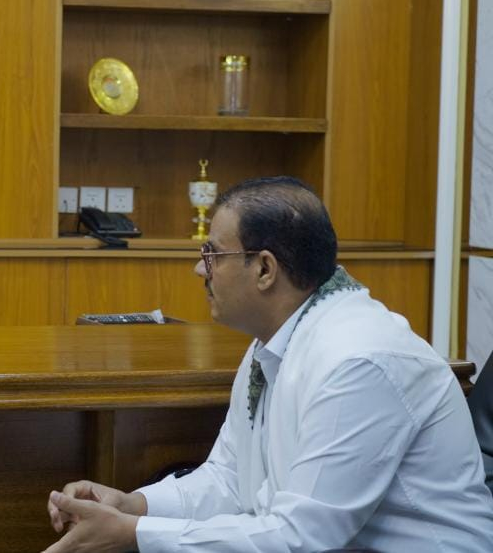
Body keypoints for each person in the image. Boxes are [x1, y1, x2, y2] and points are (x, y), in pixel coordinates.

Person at [45, 176, 493, 552]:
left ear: (264, 269)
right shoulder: (277, 338)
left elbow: (303, 537)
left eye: (212, 255)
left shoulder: (357, 360)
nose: (199, 271)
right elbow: (230, 479)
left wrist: (135, 535)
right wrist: (132, 506)